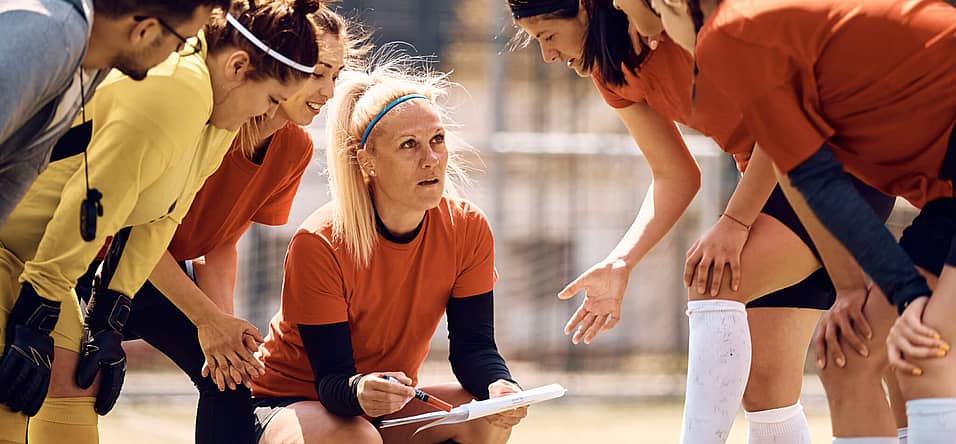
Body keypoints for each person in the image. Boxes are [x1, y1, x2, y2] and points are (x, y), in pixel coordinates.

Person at [508, 1, 898, 442]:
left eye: (547, 36)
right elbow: (675, 175)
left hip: (835, 157)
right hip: (769, 178)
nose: (548, 56)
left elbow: (787, 111)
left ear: (583, 8)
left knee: (713, 280)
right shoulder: (611, 73)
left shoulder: (688, 20)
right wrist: (621, 262)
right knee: (766, 387)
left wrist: (735, 221)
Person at [0, 1, 322, 442]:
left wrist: (110, 311)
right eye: (270, 99)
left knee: (77, 384)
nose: (266, 116)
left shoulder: (218, 115)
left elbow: (161, 219)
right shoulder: (177, 88)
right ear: (237, 65)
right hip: (13, 254)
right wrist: (36, 312)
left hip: (37, 262)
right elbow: (92, 202)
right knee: (14, 397)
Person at [649, 0, 956, 442]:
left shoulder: (729, 32)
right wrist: (863, 290)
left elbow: (817, 179)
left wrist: (909, 299)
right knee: (850, 356)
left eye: (629, 6)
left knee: (924, 350)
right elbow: (809, 179)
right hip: (947, 198)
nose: (625, 15)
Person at [71, 8, 358, 443]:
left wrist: (222, 329)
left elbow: (223, 239)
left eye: (336, 75)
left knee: (231, 375)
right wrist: (206, 319)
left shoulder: (294, 147)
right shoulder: (210, 117)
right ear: (282, 61)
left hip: (161, 273)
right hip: (99, 262)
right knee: (65, 378)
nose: (329, 91)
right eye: (318, 73)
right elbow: (136, 233)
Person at [250, 61, 529, 444]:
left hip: (381, 406)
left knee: (487, 418)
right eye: (408, 145)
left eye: (438, 139)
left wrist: (500, 386)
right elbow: (332, 380)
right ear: (368, 161)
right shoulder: (321, 240)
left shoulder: (467, 227)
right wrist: (361, 390)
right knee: (358, 437)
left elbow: (474, 348)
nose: (430, 158)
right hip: (294, 401)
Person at [0, 0, 226, 227]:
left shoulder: (93, 60)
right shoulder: (49, 38)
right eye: (182, 41)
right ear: (144, 31)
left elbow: (16, 173)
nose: (178, 53)